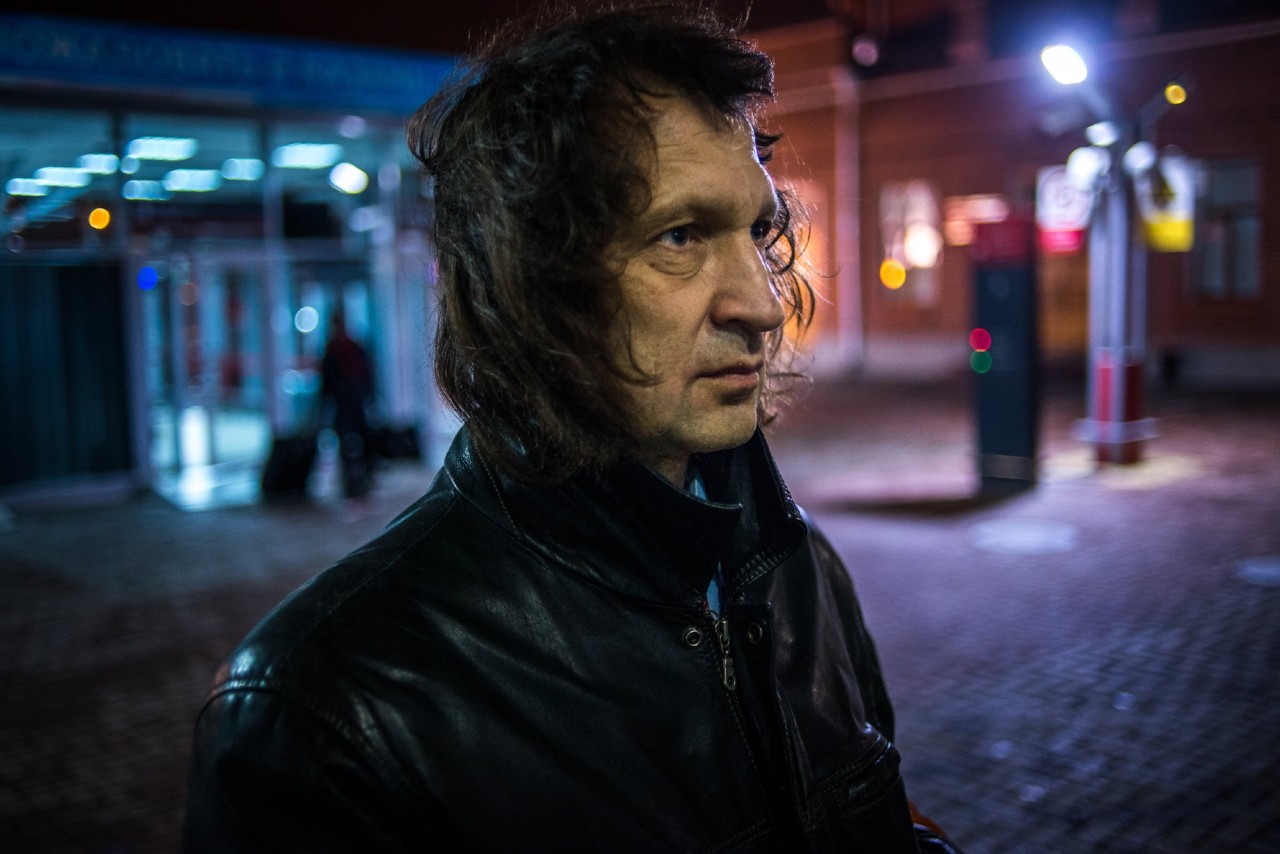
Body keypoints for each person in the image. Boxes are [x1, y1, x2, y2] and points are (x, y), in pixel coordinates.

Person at [182, 5, 963, 851]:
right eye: (679, 236)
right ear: (526, 282)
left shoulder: (797, 569)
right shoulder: (324, 712)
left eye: (756, 231)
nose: (763, 305)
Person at [320, 311, 376, 499]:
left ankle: (359, 478)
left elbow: (365, 373)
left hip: (350, 403)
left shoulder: (343, 349)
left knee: (358, 440)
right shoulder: (338, 349)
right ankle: (355, 479)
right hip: (347, 403)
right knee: (350, 441)